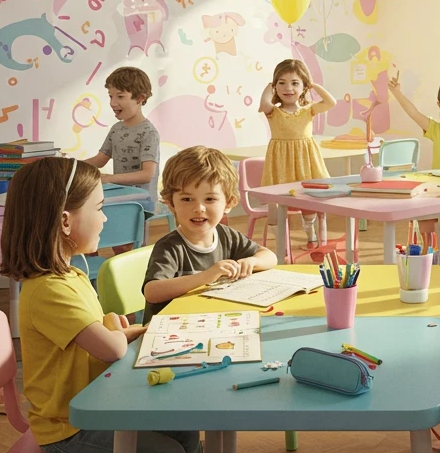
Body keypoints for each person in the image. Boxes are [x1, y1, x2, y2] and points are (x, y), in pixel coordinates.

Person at [0, 157, 200, 453]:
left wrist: (121, 329)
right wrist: (114, 334)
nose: (105, 219)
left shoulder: (70, 276)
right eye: (100, 208)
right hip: (69, 426)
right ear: (65, 221)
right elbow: (110, 349)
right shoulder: (51, 290)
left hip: (94, 404)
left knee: (185, 433)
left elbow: (96, 337)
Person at [142, 146, 277, 323]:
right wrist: (206, 276)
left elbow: (270, 257)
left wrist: (252, 261)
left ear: (229, 203)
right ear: (171, 204)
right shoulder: (170, 247)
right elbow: (152, 292)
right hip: (170, 329)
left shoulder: (227, 236)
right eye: (187, 199)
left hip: (210, 320)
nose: (199, 208)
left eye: (210, 199)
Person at [258, 59, 337, 246]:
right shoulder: (273, 111)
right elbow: (264, 103)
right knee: (276, 201)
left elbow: (331, 102)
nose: (288, 88)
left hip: (305, 162)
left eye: (295, 83)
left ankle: (310, 232)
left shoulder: (308, 110)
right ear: (275, 86)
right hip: (281, 163)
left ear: (303, 86)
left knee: (307, 198)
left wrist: (314, 85)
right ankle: (281, 243)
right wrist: (269, 86)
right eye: (282, 83)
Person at [82, 65, 160, 238]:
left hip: (141, 200)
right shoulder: (117, 129)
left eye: (120, 96)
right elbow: (100, 159)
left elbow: (146, 175)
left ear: (140, 98)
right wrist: (71, 165)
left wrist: (108, 178)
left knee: (122, 239)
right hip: (120, 195)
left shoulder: (149, 133)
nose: (112, 102)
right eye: (111, 96)